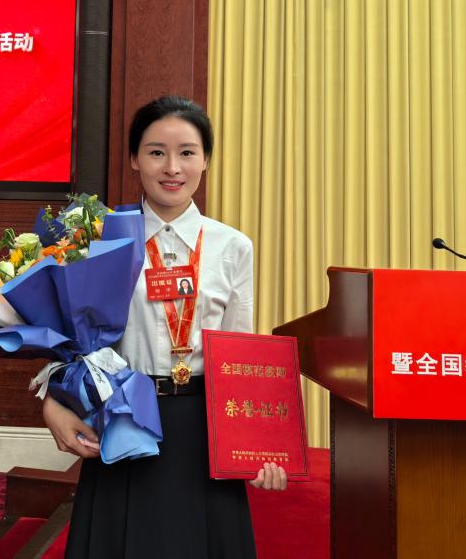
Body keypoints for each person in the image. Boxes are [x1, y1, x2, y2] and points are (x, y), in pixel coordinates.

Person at [43, 95, 287, 558]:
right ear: (135, 159)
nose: (172, 167)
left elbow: (240, 352)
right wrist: (52, 403)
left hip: (202, 426)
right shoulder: (100, 238)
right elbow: (69, 341)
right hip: (124, 419)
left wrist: (258, 446)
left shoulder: (232, 246)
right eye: (156, 152)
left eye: (187, 152)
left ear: (206, 160)